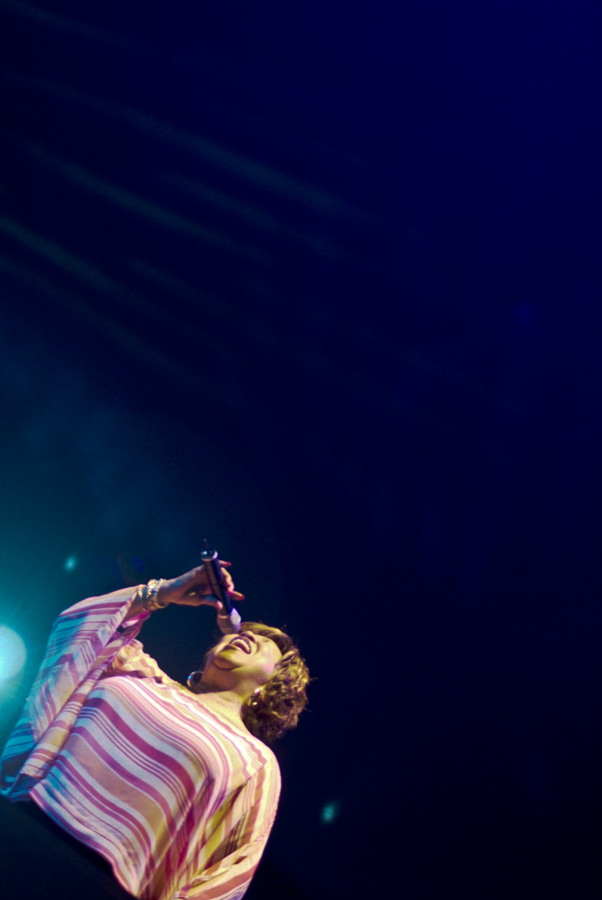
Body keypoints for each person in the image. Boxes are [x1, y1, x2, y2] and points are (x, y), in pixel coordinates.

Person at [0, 562, 310, 900]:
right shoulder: (141, 671)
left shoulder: (256, 760)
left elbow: (228, 872)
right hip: (22, 825)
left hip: (103, 885)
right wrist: (165, 592)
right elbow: (78, 629)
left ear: (274, 686)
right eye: (243, 632)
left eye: (265, 645)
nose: (247, 636)